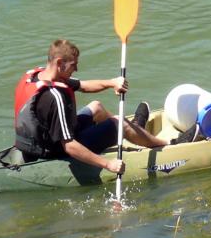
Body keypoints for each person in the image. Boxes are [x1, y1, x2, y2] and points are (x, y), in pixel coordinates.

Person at [13, 39, 169, 175]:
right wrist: (108, 164)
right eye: (73, 65)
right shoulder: (55, 96)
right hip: (54, 150)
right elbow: (69, 146)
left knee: (97, 106)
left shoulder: (38, 76)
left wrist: (112, 83)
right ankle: (166, 144)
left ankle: (134, 132)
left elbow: (83, 85)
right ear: (60, 63)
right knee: (118, 123)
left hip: (40, 140)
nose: (76, 69)